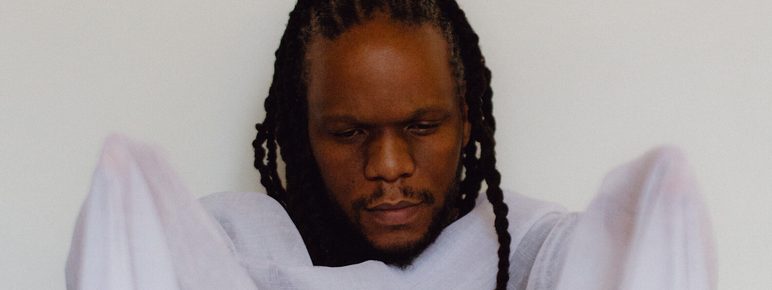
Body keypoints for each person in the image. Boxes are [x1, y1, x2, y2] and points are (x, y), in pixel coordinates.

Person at [66, 1, 716, 289]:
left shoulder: (526, 250)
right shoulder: (233, 243)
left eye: (422, 127)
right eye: (348, 133)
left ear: (468, 121)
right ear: (301, 131)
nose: (389, 168)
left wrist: (652, 213)